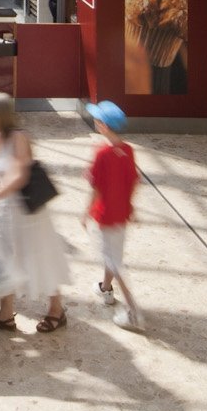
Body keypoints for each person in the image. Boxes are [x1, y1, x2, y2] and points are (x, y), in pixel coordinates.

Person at [0, 94, 68, 333]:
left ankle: (56, 310)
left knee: (38, 258)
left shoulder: (18, 137)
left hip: (26, 213)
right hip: (5, 212)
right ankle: (5, 315)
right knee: (2, 259)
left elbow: (19, 176)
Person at [85, 101, 143, 330]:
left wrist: (85, 213)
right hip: (122, 213)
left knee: (112, 260)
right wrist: (131, 205)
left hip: (105, 214)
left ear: (104, 126)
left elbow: (96, 188)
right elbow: (134, 181)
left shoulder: (102, 153)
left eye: (97, 120)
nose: (95, 122)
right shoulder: (128, 150)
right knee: (113, 252)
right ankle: (106, 288)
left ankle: (133, 311)